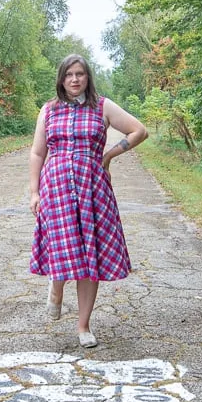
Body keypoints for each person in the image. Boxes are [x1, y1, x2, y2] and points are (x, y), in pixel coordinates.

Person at [29, 54, 148, 347]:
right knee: (62, 246)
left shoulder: (102, 106)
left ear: (87, 77)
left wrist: (108, 155)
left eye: (80, 73)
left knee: (89, 255)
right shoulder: (48, 110)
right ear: (61, 79)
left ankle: (83, 326)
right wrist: (34, 192)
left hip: (93, 188)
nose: (74, 79)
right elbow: (37, 153)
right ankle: (57, 287)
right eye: (69, 74)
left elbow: (139, 131)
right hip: (55, 188)